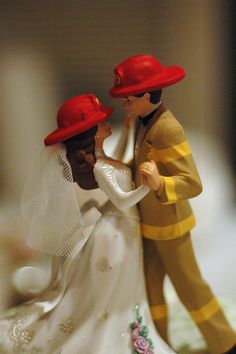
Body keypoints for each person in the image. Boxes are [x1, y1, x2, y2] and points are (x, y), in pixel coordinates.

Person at [0, 93, 175, 354]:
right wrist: (149, 186)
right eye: (101, 120)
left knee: (122, 289)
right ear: (91, 132)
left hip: (123, 229)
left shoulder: (103, 159)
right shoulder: (100, 169)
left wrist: (128, 133)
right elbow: (123, 201)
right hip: (115, 231)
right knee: (109, 295)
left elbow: (122, 162)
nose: (107, 122)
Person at [109, 54, 236, 354]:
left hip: (171, 226)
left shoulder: (168, 129)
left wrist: (159, 182)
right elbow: (139, 165)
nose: (124, 103)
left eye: (128, 98)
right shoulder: (141, 123)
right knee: (151, 288)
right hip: (149, 224)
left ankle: (225, 342)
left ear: (147, 95)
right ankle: (158, 341)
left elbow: (192, 182)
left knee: (189, 287)